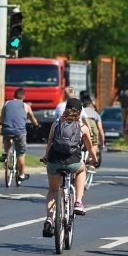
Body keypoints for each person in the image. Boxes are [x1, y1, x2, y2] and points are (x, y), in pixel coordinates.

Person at [42, 98, 96, 236]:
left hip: (54, 162)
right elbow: (90, 148)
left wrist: (46, 157)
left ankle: (49, 218)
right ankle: (78, 202)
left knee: (53, 190)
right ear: (79, 112)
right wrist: (93, 159)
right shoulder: (82, 127)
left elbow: (49, 145)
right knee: (82, 169)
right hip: (73, 162)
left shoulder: (55, 125)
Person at [0, 88, 39, 185]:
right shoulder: (26, 106)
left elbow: (2, 116)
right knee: (20, 154)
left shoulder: (7, 103)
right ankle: (21, 175)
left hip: (7, 129)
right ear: (23, 97)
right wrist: (36, 124)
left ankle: (5, 153)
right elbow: (32, 118)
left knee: (7, 137)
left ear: (14, 96)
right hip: (19, 132)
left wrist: (1, 123)